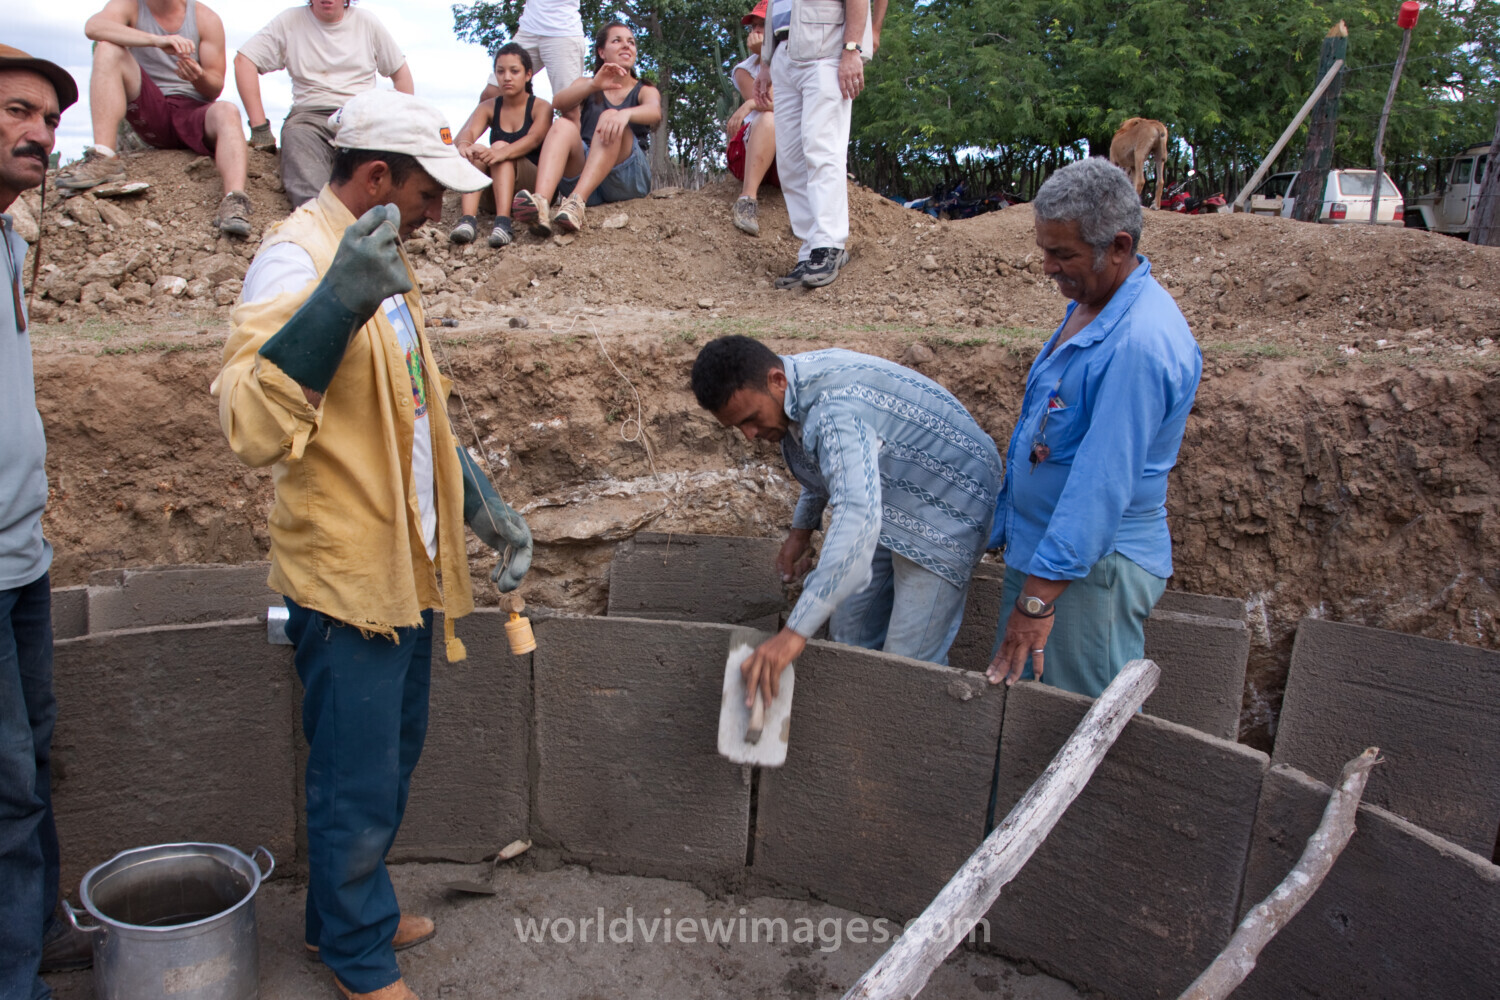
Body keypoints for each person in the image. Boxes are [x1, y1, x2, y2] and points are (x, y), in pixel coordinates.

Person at [212, 90, 533, 1000]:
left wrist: (485, 508)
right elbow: (248, 423)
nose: (442, 212)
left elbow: (413, 415)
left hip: (406, 572)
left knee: (387, 760)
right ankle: (357, 955)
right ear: (380, 178)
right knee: (356, 780)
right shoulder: (298, 259)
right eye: (432, 194)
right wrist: (334, 307)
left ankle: (345, 920)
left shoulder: (382, 257)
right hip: (347, 577)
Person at [986, 157, 1202, 698]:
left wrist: (1037, 599)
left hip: (1088, 575)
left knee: (1073, 736)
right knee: (1028, 724)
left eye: (1063, 255)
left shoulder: (1137, 345)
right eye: (1044, 251)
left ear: (1119, 247)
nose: (1047, 268)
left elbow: (1100, 486)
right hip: (1055, 564)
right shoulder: (1095, 303)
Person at [691, 336, 1002, 709]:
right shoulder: (795, 390)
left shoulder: (834, 407)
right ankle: (860, 736)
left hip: (950, 501)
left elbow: (856, 512)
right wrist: (800, 531)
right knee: (849, 633)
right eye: (737, 427)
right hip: (892, 498)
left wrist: (793, 634)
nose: (750, 435)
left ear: (776, 380)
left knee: (907, 664)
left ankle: (909, 747)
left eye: (751, 419)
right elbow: (832, 466)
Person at [0, 44, 97, 1000]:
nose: (41, 133)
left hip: (22, 556)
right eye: (20, 112)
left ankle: (35, 932)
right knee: (7, 784)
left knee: (34, 754)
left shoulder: (10, 237)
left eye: (53, 121)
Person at [58, 0, 253, 238]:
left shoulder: (205, 18)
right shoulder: (130, 6)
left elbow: (213, 88)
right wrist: (157, 40)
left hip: (194, 110)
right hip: (151, 106)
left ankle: (234, 200)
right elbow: (94, 27)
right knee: (107, 48)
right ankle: (104, 157)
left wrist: (197, 76)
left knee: (228, 111)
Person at [756, 0, 886, 287]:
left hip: (825, 49)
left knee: (821, 148)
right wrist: (766, 63)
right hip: (783, 53)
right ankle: (810, 249)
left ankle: (829, 244)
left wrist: (852, 49)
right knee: (790, 159)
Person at [235, 0, 413, 208]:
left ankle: (373, 220)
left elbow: (401, 74)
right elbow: (244, 60)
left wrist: (402, 122)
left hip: (360, 116)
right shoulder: (290, 21)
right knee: (297, 139)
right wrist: (260, 128)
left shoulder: (366, 22)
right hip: (309, 117)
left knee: (379, 168)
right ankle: (317, 215)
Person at [510, 21, 660, 237]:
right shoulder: (587, 83)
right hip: (589, 178)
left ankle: (576, 204)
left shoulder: (644, 89)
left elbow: (654, 111)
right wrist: (593, 85)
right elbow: (559, 102)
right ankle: (540, 203)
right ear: (601, 51)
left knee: (610, 116)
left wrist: (624, 114)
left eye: (631, 42)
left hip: (627, 179)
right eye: (617, 41)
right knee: (562, 125)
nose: (626, 46)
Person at [449, 43, 552, 249]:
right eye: (501, 71)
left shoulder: (541, 107)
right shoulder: (488, 106)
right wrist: (465, 146)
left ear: (528, 74)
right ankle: (468, 220)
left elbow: (534, 138)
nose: (507, 77)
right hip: (494, 190)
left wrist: (501, 152)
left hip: (528, 191)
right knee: (478, 150)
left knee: (499, 147)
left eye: (514, 71)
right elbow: (468, 132)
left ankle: (503, 224)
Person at [473, 0, 587, 119]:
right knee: (491, 94)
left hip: (563, 32)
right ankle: (461, 137)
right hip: (528, 30)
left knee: (569, 109)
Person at [725, 0, 777, 237]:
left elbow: (792, 103)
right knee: (768, 119)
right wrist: (762, 56)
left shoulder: (799, 60)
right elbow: (769, 102)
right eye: (753, 27)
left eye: (762, 26)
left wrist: (749, 104)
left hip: (787, 156)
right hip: (749, 153)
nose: (755, 32)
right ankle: (747, 200)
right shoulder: (743, 69)